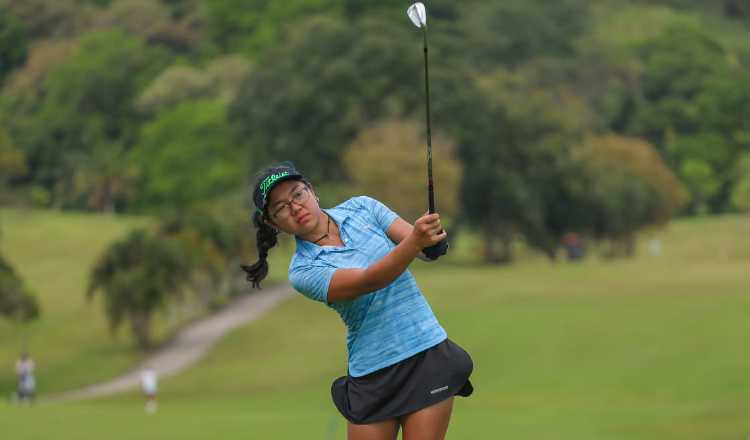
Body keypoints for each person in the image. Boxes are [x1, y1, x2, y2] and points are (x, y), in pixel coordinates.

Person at [242, 162, 473, 440]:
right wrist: (415, 242)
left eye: (297, 194)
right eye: (280, 208)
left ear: (312, 192)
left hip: (425, 354)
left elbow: (420, 247)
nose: (295, 208)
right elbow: (368, 281)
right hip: (372, 374)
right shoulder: (303, 271)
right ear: (272, 223)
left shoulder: (363, 207)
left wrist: (431, 241)